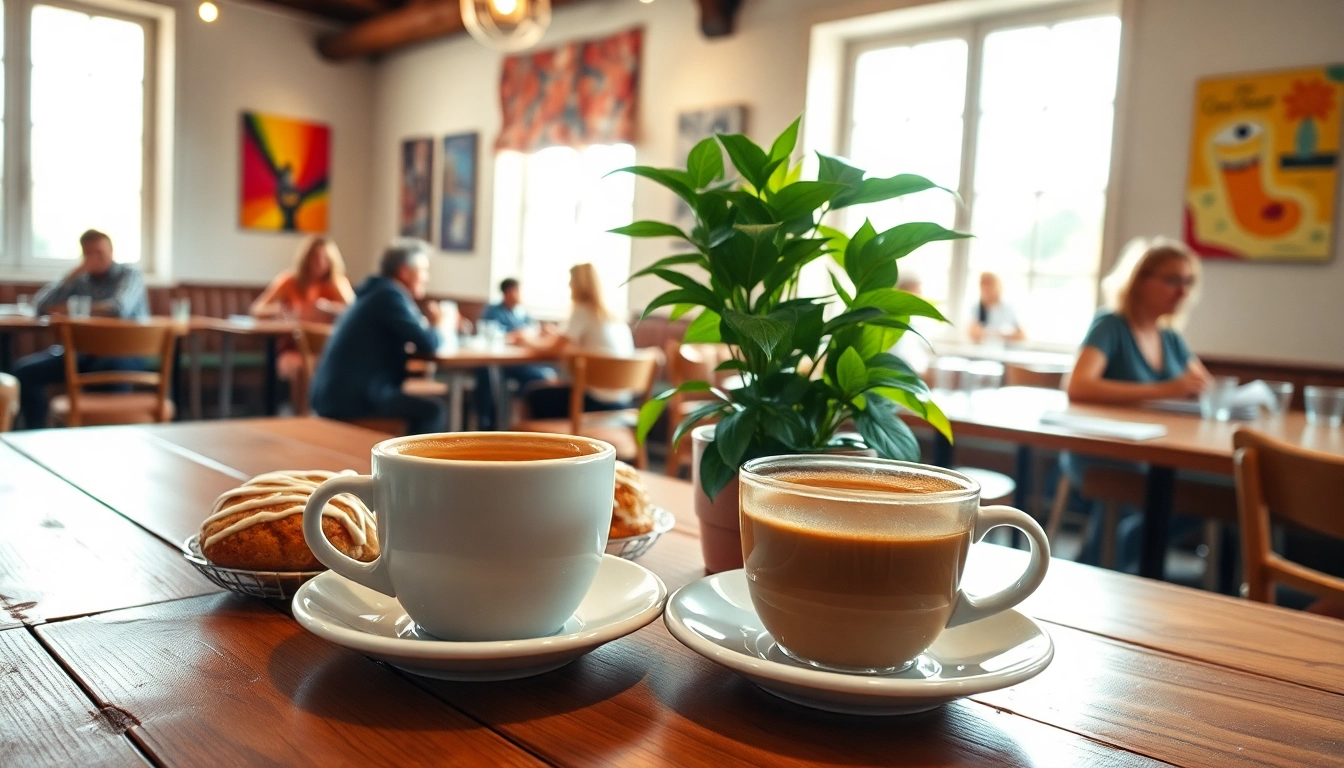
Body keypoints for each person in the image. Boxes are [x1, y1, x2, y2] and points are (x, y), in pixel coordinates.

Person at [1063, 237, 1214, 568]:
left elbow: (1204, 385)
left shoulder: (1170, 337)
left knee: (1220, 488)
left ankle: (1120, 553)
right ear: (1139, 281)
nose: (1183, 291)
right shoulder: (1110, 325)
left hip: (1158, 448)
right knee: (1135, 484)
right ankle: (1104, 563)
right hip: (1103, 447)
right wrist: (1166, 389)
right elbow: (1078, 386)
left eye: (1188, 282)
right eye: (1172, 280)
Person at [13, 229, 149, 429]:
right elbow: (40, 306)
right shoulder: (80, 279)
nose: (95, 259)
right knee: (25, 371)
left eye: (100, 253)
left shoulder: (129, 275)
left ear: (111, 252)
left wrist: (71, 308)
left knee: (108, 367)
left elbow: (119, 309)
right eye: (89, 254)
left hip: (124, 353)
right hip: (82, 353)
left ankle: (110, 433)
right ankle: (37, 433)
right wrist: (73, 274)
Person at [309, 240, 446, 434]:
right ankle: (413, 463)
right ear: (405, 272)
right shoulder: (389, 296)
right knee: (433, 411)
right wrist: (439, 324)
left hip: (333, 396)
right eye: (423, 270)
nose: (426, 277)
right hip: (350, 400)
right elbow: (428, 343)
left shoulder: (374, 293)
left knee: (428, 407)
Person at [523, 264, 635, 419]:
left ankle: (542, 442)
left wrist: (525, 340)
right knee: (550, 389)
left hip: (595, 401)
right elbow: (583, 343)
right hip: (623, 401)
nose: (569, 286)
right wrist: (556, 335)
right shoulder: (614, 316)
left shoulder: (582, 310)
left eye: (571, 281)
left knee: (534, 394)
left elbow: (553, 349)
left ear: (576, 284)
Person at [251, 236, 356, 384]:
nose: (319, 262)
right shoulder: (289, 281)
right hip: (292, 346)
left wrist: (330, 309)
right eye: (314, 257)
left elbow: (355, 312)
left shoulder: (336, 283)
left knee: (322, 364)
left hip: (326, 347)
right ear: (305, 259)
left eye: (324, 258)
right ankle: (300, 408)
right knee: (300, 366)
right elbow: (257, 310)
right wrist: (279, 310)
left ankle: (310, 407)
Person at [474, 278, 557, 430]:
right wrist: (516, 336)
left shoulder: (521, 313)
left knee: (546, 375)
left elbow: (532, 331)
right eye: (518, 291)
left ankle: (520, 424)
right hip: (505, 363)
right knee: (541, 377)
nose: (520, 295)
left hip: (523, 361)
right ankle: (494, 424)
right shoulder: (494, 311)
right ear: (509, 292)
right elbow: (490, 333)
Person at [967, 272, 1025, 343]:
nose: (986, 288)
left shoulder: (1008, 309)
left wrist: (1000, 334)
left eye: (989, 284)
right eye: (983, 284)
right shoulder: (976, 308)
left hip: (1003, 350)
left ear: (997, 286)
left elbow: (1022, 335)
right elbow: (972, 333)